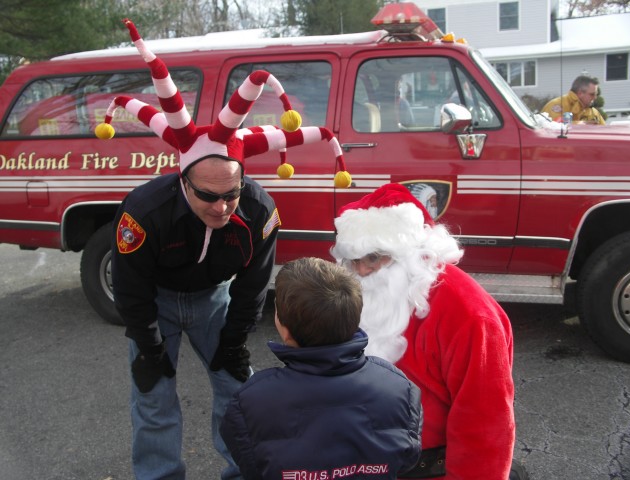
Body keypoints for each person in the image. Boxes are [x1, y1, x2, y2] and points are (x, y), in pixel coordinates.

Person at [102, 19, 351, 480]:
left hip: (212, 297)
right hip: (155, 297)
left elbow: (255, 284)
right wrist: (149, 343)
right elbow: (131, 287)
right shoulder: (144, 210)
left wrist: (236, 338)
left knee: (239, 390)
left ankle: (244, 473)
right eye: (208, 196)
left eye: (230, 193)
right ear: (183, 181)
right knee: (154, 398)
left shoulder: (258, 210)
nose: (221, 207)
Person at [331, 183, 519, 480]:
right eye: (354, 260)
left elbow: (484, 425)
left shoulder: (471, 315)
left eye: (375, 257)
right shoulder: (361, 293)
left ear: (415, 252)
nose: (363, 271)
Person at [221, 257, 423, 480]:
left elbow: (249, 465)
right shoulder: (399, 387)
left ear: (285, 331)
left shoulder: (251, 400)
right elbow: (407, 458)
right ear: (355, 318)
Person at [541, 75, 605, 125]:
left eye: (596, 94)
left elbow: (604, 133)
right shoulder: (558, 105)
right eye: (592, 94)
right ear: (580, 93)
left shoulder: (594, 113)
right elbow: (553, 128)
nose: (595, 97)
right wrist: (582, 124)